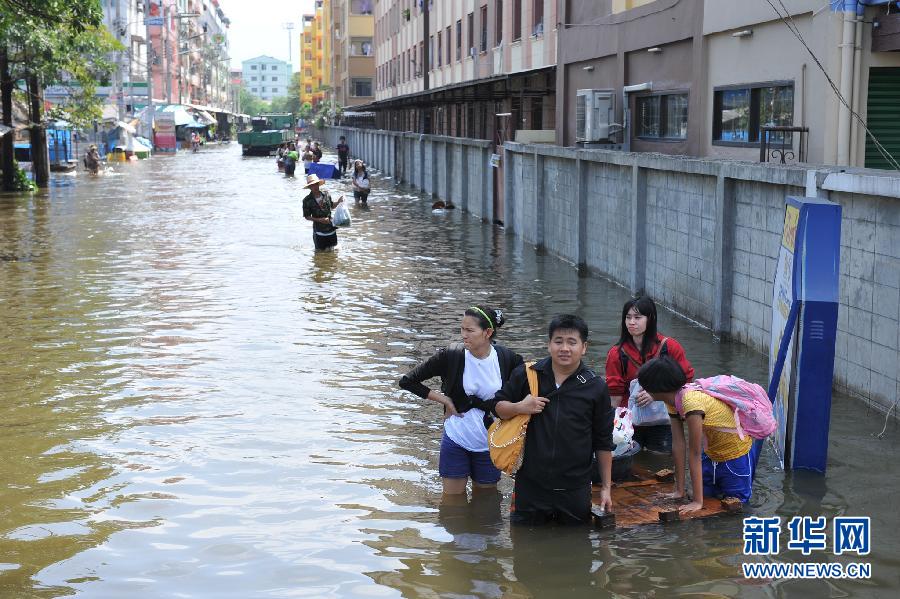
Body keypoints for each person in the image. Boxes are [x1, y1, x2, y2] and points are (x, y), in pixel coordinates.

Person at [491, 314, 614, 524]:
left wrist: (606, 488)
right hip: (530, 486)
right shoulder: (527, 375)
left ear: (583, 347)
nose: (564, 348)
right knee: (524, 546)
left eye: (571, 342)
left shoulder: (595, 387)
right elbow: (497, 408)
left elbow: (603, 441)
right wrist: (521, 406)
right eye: (558, 341)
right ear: (549, 345)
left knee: (575, 548)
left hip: (575, 488)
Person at [399, 307, 523, 495]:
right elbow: (407, 381)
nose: (464, 335)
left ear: (487, 333)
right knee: (452, 506)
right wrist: (445, 400)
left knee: (486, 503)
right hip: (456, 438)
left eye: (470, 330)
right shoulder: (451, 355)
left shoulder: (507, 358)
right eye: (462, 329)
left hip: (491, 441)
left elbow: (526, 390)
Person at [637, 356, 761, 511]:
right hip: (711, 455)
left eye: (645, 386)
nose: (643, 390)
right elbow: (678, 445)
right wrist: (679, 490)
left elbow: (694, 452)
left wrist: (697, 502)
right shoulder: (671, 401)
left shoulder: (691, 402)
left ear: (657, 388)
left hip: (736, 456)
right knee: (707, 498)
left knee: (736, 506)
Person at [603, 295, 694, 454]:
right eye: (628, 317)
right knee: (631, 463)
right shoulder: (616, 354)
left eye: (637, 317)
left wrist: (655, 395)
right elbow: (614, 395)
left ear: (650, 319)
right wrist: (608, 425)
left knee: (662, 462)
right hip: (629, 422)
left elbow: (686, 381)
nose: (632, 322)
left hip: (664, 420)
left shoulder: (669, 347)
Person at [301, 173, 344, 250]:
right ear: (309, 187)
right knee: (320, 255)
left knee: (333, 254)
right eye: (312, 185)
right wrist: (319, 220)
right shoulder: (307, 200)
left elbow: (331, 206)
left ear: (318, 184)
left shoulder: (326, 194)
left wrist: (338, 202)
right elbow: (307, 216)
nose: (315, 187)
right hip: (319, 232)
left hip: (331, 229)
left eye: (316, 184)